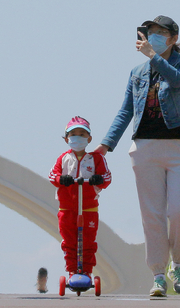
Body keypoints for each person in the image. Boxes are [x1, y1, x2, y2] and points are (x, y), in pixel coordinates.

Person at [93, 15, 180, 297]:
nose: (154, 37)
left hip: (179, 147)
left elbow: (177, 82)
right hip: (146, 147)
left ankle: (178, 263)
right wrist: (106, 144)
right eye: (150, 33)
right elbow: (126, 110)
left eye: (161, 33)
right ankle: (159, 274)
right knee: (151, 215)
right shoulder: (136, 72)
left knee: (179, 210)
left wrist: (153, 57)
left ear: (173, 38)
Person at [49, 117, 111, 277]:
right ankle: (71, 271)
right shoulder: (63, 158)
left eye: (82, 134)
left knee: (88, 242)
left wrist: (99, 179)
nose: (78, 137)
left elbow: (107, 177)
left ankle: (87, 271)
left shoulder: (96, 159)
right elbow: (52, 175)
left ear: (89, 138)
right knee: (69, 242)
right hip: (67, 207)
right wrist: (61, 179)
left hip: (89, 207)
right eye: (73, 134)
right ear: (66, 139)